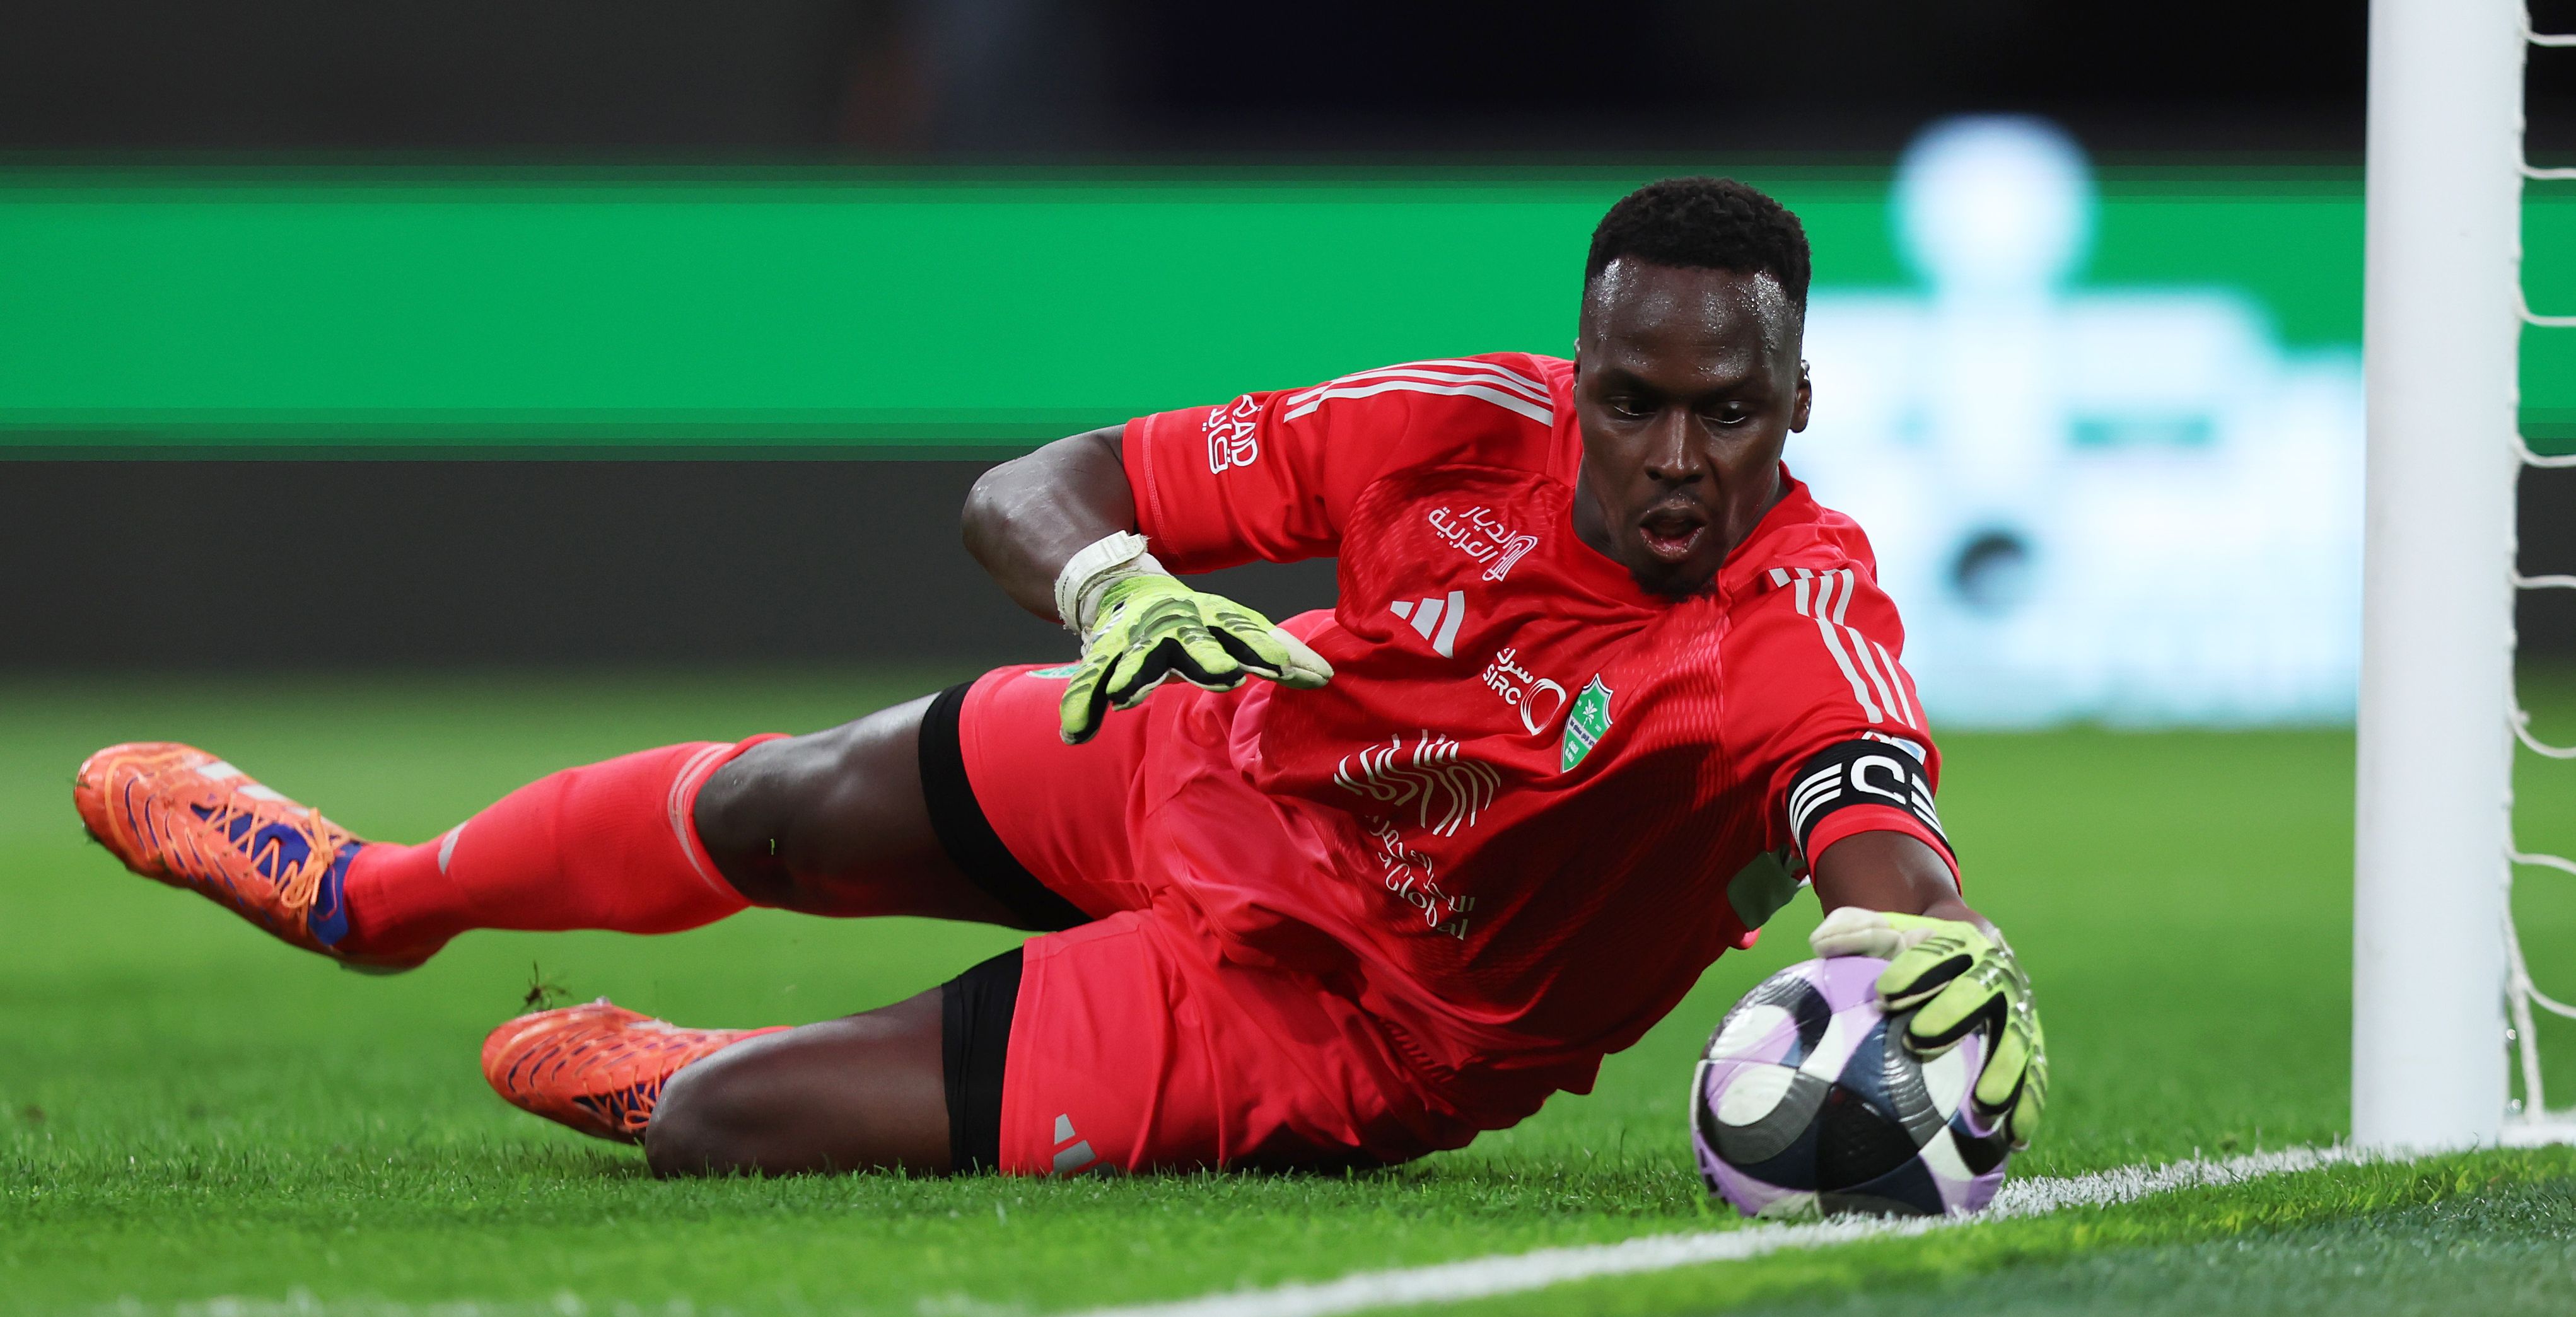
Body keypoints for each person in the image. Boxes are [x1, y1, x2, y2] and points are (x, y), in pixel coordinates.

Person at [73, 177, 2046, 1181]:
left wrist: (1940, 950)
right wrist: (1110, 584)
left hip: (1346, 1018)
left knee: (718, 1139)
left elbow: (1877, 839)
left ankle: (690, 1062)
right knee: (775, 802)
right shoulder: (1451, 428)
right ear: (1582, 376)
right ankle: (369, 898)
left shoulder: (1796, 629)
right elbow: (1033, 486)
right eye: (1635, 401)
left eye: (1725, 413)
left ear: (1799, 403)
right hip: (1215, 759)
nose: (1675, 456)